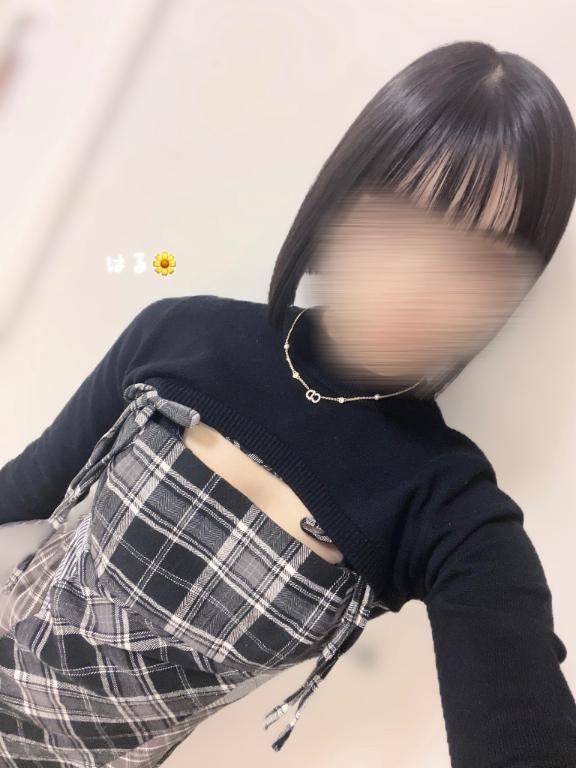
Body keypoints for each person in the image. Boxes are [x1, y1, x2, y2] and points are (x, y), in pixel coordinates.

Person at [1, 40, 575, 767]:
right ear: (340, 202)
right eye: (398, 219)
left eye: (479, 262)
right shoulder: (180, 334)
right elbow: (22, 496)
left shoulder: (446, 506)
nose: (418, 283)